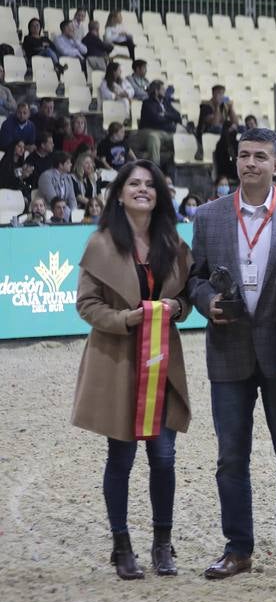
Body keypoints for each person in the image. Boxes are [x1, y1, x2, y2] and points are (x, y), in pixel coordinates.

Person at [188, 127, 276, 582]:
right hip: (228, 351)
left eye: (261, 156)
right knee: (229, 458)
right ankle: (238, 548)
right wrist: (207, 302)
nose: (251, 163)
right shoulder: (208, 216)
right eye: (244, 155)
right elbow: (195, 278)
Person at [72, 159, 192, 580]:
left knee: (164, 456)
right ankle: (121, 545)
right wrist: (127, 320)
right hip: (118, 363)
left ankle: (163, 543)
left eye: (150, 185)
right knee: (120, 456)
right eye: (134, 184)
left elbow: (186, 297)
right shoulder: (101, 243)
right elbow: (86, 305)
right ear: (119, 193)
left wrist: (178, 308)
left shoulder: (173, 244)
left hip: (163, 363)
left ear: (159, 195)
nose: (142, 190)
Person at [136, 81, 182, 177]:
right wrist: (168, 119)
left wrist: (165, 114)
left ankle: (172, 170)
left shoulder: (166, 102)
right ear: (156, 91)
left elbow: (178, 116)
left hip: (166, 133)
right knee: (154, 137)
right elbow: (156, 119)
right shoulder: (147, 103)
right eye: (162, 89)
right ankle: (155, 170)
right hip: (148, 132)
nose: (165, 91)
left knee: (180, 139)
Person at [197, 85, 239, 162]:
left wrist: (231, 108)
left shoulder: (225, 105)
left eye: (222, 93)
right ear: (213, 94)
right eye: (218, 93)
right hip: (206, 131)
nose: (221, 96)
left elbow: (236, 122)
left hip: (221, 131)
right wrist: (217, 106)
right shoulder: (205, 105)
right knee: (220, 128)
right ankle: (230, 151)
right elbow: (214, 124)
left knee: (240, 128)